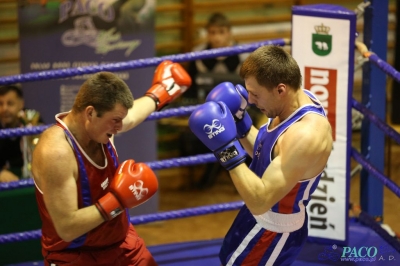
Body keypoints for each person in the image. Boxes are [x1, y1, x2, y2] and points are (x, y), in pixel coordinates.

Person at [31, 61, 191, 265]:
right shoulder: (56, 152)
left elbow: (131, 117)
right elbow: (67, 228)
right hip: (76, 256)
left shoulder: (102, 127)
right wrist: (117, 201)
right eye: (115, 120)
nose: (119, 127)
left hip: (122, 246)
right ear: (90, 113)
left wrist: (162, 90)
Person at [188, 45, 333, 265]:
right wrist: (242, 125)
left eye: (255, 94)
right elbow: (268, 152)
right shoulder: (292, 102)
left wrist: (226, 150)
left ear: (280, 89)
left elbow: (261, 201)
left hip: (273, 230)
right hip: (257, 218)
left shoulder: (305, 134)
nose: (251, 101)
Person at [184, 12, 248, 105]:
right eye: (212, 32)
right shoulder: (197, 55)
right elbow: (191, 88)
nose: (217, 37)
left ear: (229, 33)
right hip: (206, 104)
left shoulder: (244, 54)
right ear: (207, 34)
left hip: (237, 104)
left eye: (221, 32)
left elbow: (249, 86)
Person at [0, 84, 43, 182]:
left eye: (10, 103)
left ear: (21, 104)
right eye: (0, 104)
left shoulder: (32, 120)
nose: (4, 108)